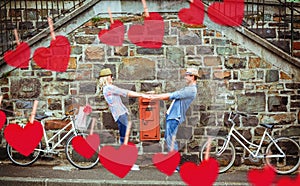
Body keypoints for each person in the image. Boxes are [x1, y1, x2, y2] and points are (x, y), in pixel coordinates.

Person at [144, 67, 199, 171]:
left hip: (175, 117)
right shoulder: (188, 88)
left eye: (187, 75)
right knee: (169, 139)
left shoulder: (191, 90)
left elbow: (171, 96)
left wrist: (155, 97)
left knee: (171, 140)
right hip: (172, 115)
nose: (185, 76)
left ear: (193, 77)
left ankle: (175, 166)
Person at [98, 68, 144, 170]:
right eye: (110, 76)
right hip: (120, 115)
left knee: (124, 138)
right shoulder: (109, 88)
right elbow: (125, 92)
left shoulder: (107, 88)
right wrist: (141, 94)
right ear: (106, 78)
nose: (112, 78)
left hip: (120, 115)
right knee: (125, 139)